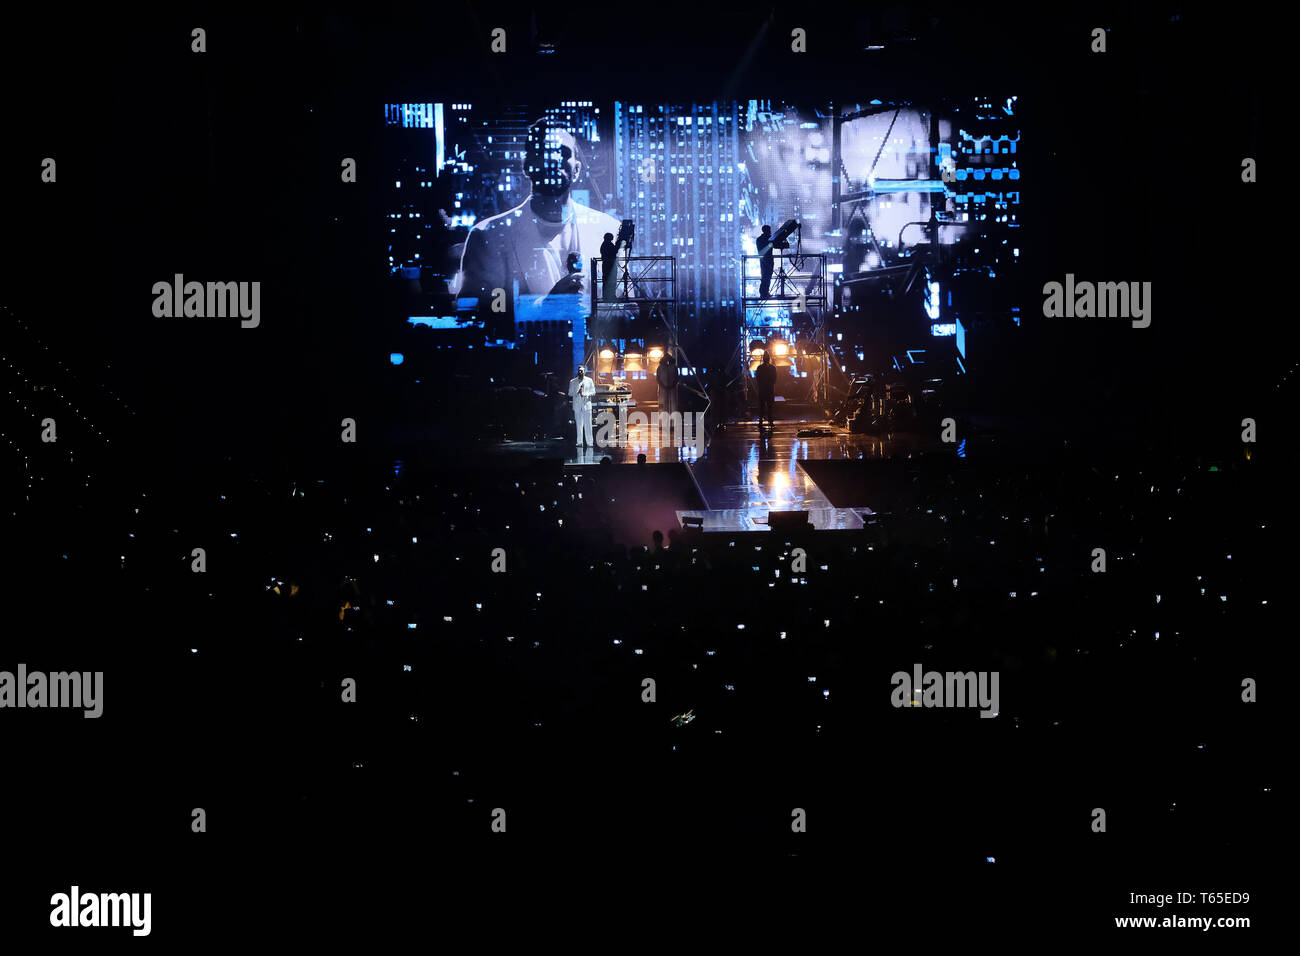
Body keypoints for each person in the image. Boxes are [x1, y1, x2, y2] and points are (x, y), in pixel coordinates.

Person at [455, 120, 622, 306]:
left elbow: (626, 308)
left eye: (563, 152)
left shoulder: (609, 230)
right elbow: (477, 314)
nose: (553, 159)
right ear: (526, 165)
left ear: (576, 170)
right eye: (543, 152)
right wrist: (547, 306)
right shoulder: (487, 236)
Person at [569, 364, 596, 446]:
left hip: (586, 405)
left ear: (585, 372)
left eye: (582, 371)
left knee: (588, 424)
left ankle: (590, 442)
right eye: (579, 371)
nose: (580, 372)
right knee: (579, 424)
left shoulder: (589, 380)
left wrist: (585, 394)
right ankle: (579, 442)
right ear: (578, 371)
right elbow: (570, 393)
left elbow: (593, 392)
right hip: (577, 406)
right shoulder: (573, 382)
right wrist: (577, 392)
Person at [600, 231, 624, 303]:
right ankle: (609, 296)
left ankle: (607, 296)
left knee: (608, 281)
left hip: (607, 266)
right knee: (611, 282)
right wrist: (618, 244)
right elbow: (614, 251)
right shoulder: (607, 244)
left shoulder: (605, 244)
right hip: (609, 266)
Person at [755, 350, 776, 427]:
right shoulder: (772, 368)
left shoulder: (760, 368)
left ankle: (762, 421)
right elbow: (775, 378)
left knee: (763, 407)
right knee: (768, 407)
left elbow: (757, 378)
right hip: (768, 389)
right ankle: (769, 421)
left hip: (763, 389)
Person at [656, 350, 679, 416]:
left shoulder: (661, 368)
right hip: (668, 388)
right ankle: (668, 421)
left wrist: (664, 386)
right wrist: (672, 385)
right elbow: (677, 377)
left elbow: (658, 378)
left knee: (665, 403)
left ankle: (666, 420)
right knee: (669, 403)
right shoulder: (673, 367)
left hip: (665, 388)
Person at [756, 224, 775, 300]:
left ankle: (763, 293)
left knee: (764, 276)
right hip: (768, 259)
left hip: (762, 259)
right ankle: (765, 293)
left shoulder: (759, 239)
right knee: (767, 276)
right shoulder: (768, 239)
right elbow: (772, 246)